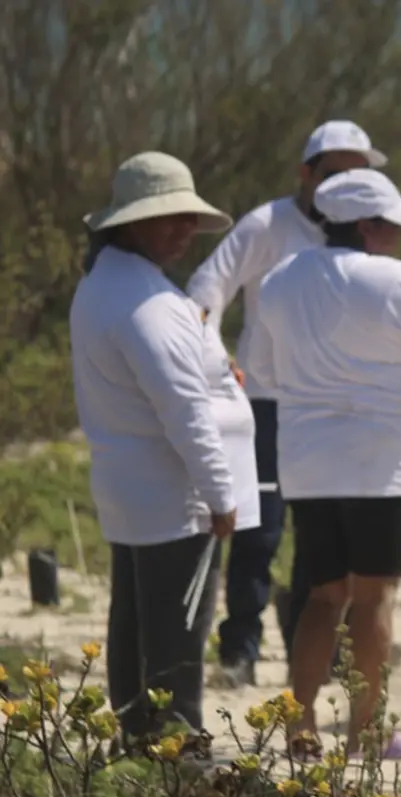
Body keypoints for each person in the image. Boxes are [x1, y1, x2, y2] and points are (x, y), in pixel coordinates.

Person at [244, 168, 401, 761]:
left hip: (307, 462)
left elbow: (261, 368)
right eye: (391, 226)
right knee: (374, 598)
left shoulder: (281, 280)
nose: (398, 237)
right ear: (368, 226)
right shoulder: (390, 279)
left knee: (321, 595)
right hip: (378, 463)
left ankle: (300, 727)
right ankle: (368, 731)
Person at [187, 119, 388, 687]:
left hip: (335, 407)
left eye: (358, 174)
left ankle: (318, 654)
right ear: (306, 173)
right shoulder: (268, 225)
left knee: (329, 536)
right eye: (333, 173)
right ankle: (241, 650)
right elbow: (205, 292)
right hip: (268, 402)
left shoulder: (368, 233)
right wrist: (215, 359)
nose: (343, 185)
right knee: (260, 531)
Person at [70, 151, 240, 747]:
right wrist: (221, 495)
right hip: (171, 492)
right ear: (129, 222)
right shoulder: (152, 302)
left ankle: (134, 737)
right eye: (167, 217)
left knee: (135, 619)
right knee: (177, 628)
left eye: (188, 217)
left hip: (122, 483)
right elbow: (185, 413)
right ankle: (177, 747)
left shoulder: (100, 286)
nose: (183, 229)